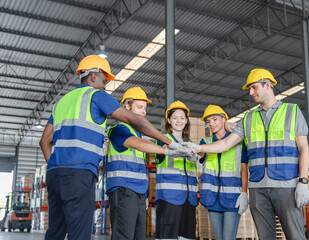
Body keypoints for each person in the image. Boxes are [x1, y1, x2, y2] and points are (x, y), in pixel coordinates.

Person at [39, 55, 190, 240]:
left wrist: (54, 165)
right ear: (93, 76)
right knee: (79, 232)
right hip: (80, 172)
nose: (105, 85)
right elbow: (134, 120)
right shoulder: (95, 95)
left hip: (54, 174)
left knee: (55, 230)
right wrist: (170, 143)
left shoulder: (61, 102)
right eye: (104, 80)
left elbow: (44, 141)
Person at [182, 69, 309, 240]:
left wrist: (303, 181)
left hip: (286, 185)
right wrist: (198, 148)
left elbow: (304, 148)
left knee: (295, 236)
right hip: (258, 188)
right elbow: (226, 143)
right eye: (250, 89)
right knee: (265, 237)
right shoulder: (248, 118)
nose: (251, 93)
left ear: (268, 85)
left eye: (254, 88)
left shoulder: (292, 111)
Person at [106, 87, 191, 240]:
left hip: (138, 192)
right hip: (124, 189)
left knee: (139, 236)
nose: (143, 112)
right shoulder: (118, 130)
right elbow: (137, 144)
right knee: (123, 236)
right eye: (139, 107)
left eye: (145, 108)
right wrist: (167, 150)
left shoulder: (138, 133)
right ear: (127, 107)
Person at [199, 105, 248, 240]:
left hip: (232, 198)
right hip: (212, 198)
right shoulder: (205, 142)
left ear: (223, 119)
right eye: (208, 121)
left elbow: (244, 168)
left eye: (214, 119)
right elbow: (197, 155)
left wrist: (244, 193)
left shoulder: (238, 142)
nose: (211, 124)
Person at [155, 101, 198, 240]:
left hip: (189, 200)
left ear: (186, 120)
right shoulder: (162, 140)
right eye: (175, 117)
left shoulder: (191, 144)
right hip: (169, 199)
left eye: (182, 118)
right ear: (168, 120)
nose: (178, 121)